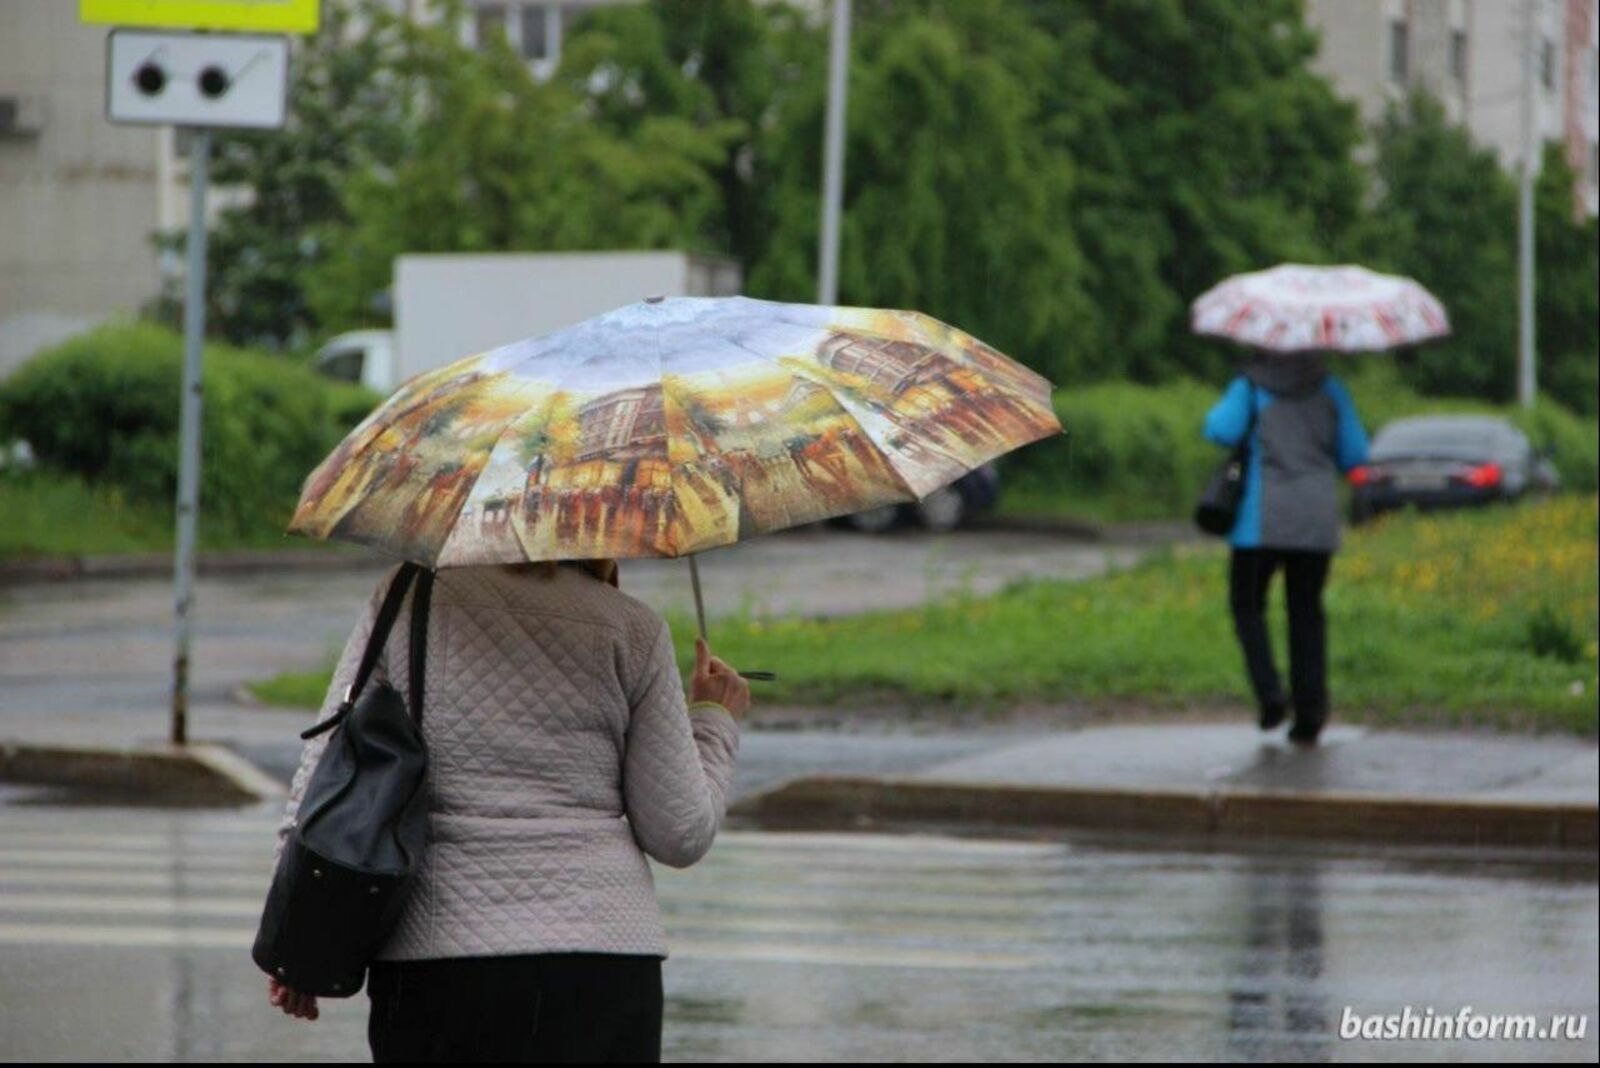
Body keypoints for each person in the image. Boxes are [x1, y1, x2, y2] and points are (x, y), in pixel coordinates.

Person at [265, 559, 751, 1063]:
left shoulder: (410, 596)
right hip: (602, 963)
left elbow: (326, 768)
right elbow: (678, 833)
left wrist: (299, 941)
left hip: (440, 961)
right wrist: (713, 722)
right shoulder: (633, 627)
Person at [1203, 355, 1368, 746]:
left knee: (1247, 607)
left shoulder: (1251, 386)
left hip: (1259, 523)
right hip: (1315, 520)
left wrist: (1242, 397)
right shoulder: (1330, 389)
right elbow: (1356, 453)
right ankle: (1310, 713)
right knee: (1306, 612)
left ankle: (1270, 694)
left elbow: (1218, 430)